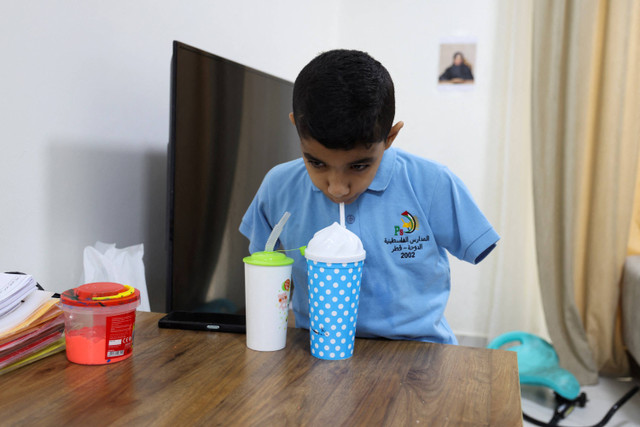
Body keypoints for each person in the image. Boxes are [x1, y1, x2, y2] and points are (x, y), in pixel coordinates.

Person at [240, 49, 498, 344]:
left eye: (359, 165)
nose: (337, 188)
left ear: (390, 137)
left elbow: (479, 244)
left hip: (418, 355)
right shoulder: (278, 187)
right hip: (318, 350)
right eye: (317, 163)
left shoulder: (432, 184)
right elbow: (265, 268)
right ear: (296, 129)